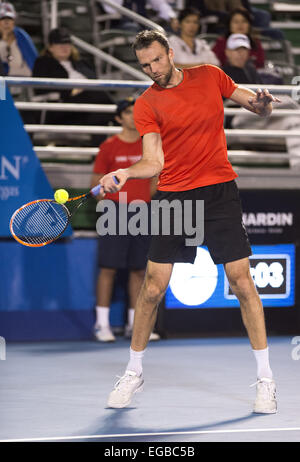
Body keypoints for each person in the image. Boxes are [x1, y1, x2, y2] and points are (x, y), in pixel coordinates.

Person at [99, 29, 280, 413]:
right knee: (152, 287)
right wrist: (128, 173)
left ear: (170, 52)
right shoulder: (146, 104)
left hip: (219, 190)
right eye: (144, 65)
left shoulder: (210, 75)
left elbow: (253, 103)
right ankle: (134, 372)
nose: (152, 69)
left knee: (242, 281)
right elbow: (154, 162)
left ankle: (266, 380)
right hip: (174, 194)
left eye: (156, 60)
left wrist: (263, 104)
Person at [91, 97, 160, 342]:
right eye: (128, 113)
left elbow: (153, 182)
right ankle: (102, 325)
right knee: (108, 269)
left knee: (139, 270)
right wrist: (110, 204)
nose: (133, 117)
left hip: (142, 212)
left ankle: (135, 325)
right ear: (119, 118)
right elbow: (96, 184)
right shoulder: (109, 147)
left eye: (136, 113)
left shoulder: (149, 147)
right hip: (114, 211)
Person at [222, 34, 300, 170]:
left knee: (294, 120)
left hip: (258, 119)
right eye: (236, 50)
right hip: (237, 119)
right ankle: (289, 103)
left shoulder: (252, 72)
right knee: (284, 101)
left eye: (243, 50)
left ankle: (298, 169)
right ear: (227, 52)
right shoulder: (221, 72)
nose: (240, 54)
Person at [32, 27, 114, 144]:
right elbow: (40, 88)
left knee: (99, 116)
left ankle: (97, 154)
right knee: (98, 98)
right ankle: (119, 117)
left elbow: (96, 81)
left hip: (87, 106)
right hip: (60, 107)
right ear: (50, 47)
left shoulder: (82, 63)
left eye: (67, 43)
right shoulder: (43, 63)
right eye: (59, 43)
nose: (64, 47)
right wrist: (72, 91)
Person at [0, 2, 37, 77]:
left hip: (26, 82)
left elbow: (34, 62)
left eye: (9, 18)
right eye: (2, 18)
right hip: (3, 83)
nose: (6, 22)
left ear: (14, 21)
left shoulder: (21, 36)